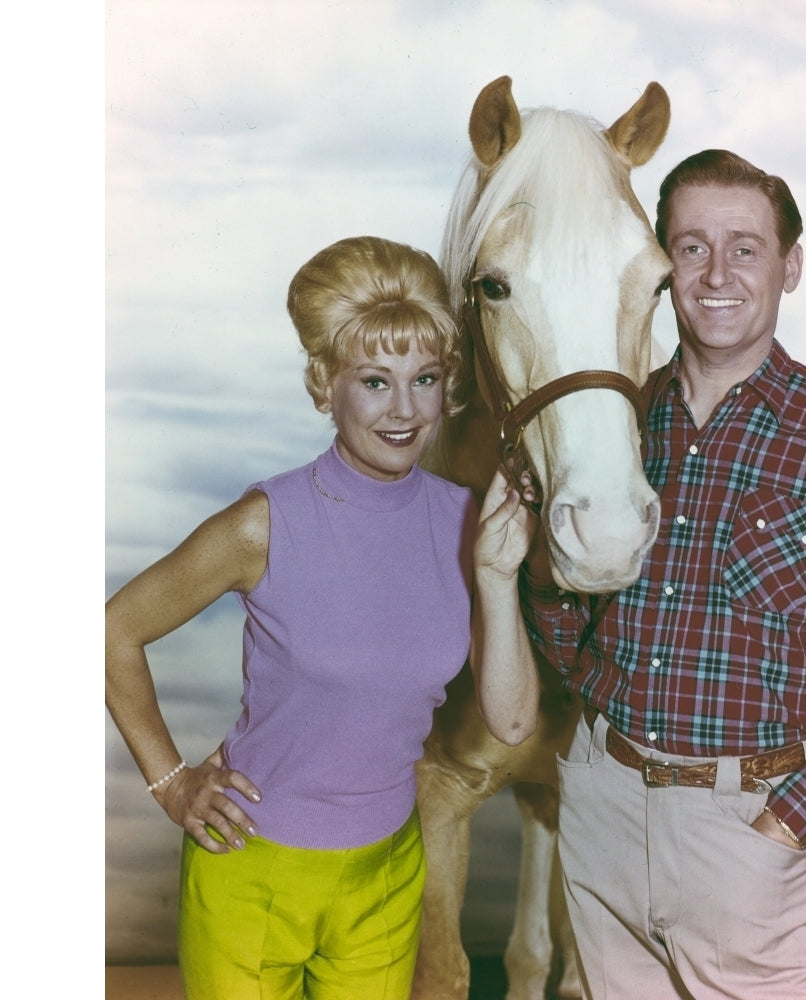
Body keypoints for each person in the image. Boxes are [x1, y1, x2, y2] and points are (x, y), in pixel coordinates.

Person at [105, 235, 538, 1000]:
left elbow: (509, 722)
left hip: (388, 876)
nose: (404, 410)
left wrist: (499, 580)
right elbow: (112, 631)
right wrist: (173, 784)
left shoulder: (469, 523)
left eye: (425, 379)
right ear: (323, 386)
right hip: (253, 871)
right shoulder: (264, 523)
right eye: (375, 381)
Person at [519, 150, 806, 1000]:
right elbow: (566, 624)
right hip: (605, 819)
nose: (716, 273)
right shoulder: (616, 426)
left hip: (754, 834)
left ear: (789, 266)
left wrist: (781, 827)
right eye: (690, 248)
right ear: (661, 267)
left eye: (745, 248)